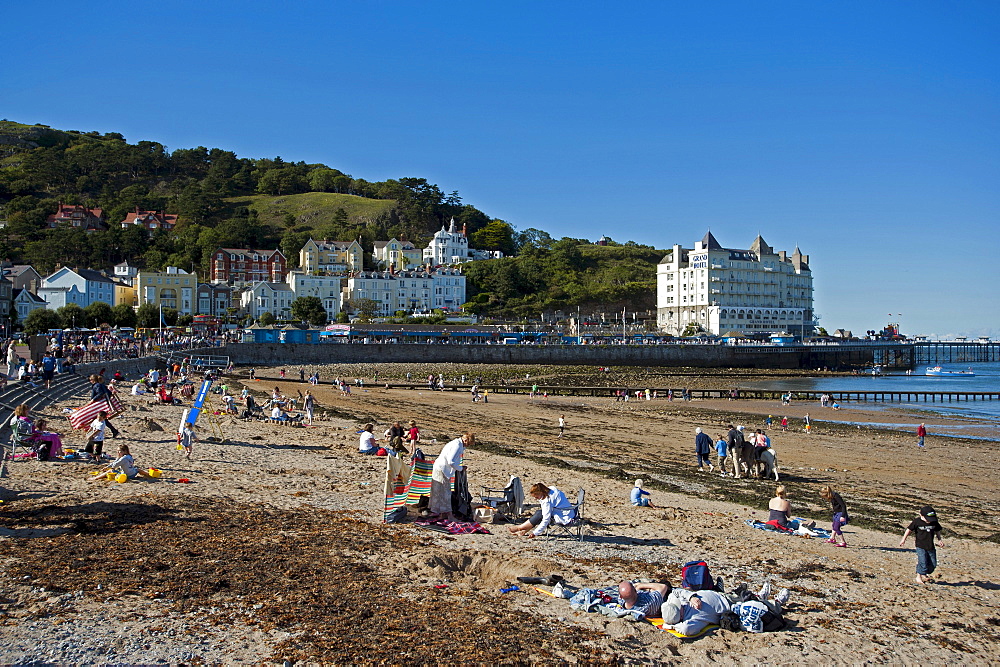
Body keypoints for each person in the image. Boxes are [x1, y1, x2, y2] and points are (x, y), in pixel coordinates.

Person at [508, 482, 575, 538]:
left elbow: (546, 520)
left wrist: (535, 533)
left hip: (565, 518)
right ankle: (524, 530)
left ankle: (520, 528)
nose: (536, 499)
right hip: (569, 512)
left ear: (541, 492)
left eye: (536, 497)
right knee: (539, 512)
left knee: (540, 514)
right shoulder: (552, 489)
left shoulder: (547, 501)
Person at [429, 431, 472, 518]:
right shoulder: (456, 445)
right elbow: (451, 461)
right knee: (445, 491)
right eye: (469, 444)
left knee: (437, 491)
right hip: (442, 468)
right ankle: (446, 513)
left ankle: (436, 511)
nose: (468, 446)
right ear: (466, 440)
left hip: (440, 466)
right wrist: (460, 468)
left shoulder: (457, 443)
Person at [900, 506, 944, 584]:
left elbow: (937, 531)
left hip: (930, 546)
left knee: (933, 564)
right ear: (921, 515)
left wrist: (940, 540)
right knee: (923, 562)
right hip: (920, 545)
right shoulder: (917, 522)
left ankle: (924, 573)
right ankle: (918, 577)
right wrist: (903, 540)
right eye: (927, 519)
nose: (929, 521)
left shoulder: (934, 522)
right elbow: (909, 530)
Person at [661, 588, 730, 635]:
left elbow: (675, 591)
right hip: (727, 603)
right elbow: (685, 629)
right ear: (681, 616)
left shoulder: (674, 604)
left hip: (716, 593)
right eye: (679, 607)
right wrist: (672, 626)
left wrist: (690, 597)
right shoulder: (693, 619)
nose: (681, 605)